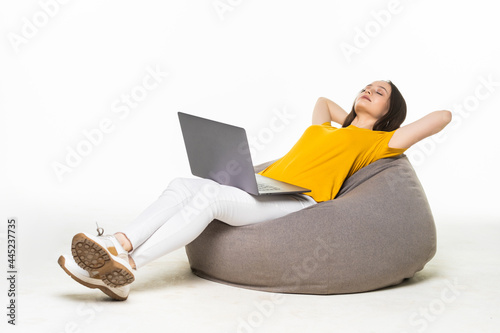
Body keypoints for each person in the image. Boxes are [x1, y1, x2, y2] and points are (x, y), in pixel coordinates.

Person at [58, 80, 452, 301]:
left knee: (208, 198)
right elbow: (322, 101)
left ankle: (129, 266)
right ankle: (119, 245)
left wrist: (379, 122)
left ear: (390, 112)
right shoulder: (324, 129)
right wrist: (353, 114)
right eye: (366, 86)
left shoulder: (380, 144)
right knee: (183, 183)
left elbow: (442, 117)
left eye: (379, 92)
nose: (368, 90)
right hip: (265, 186)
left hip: (298, 201)